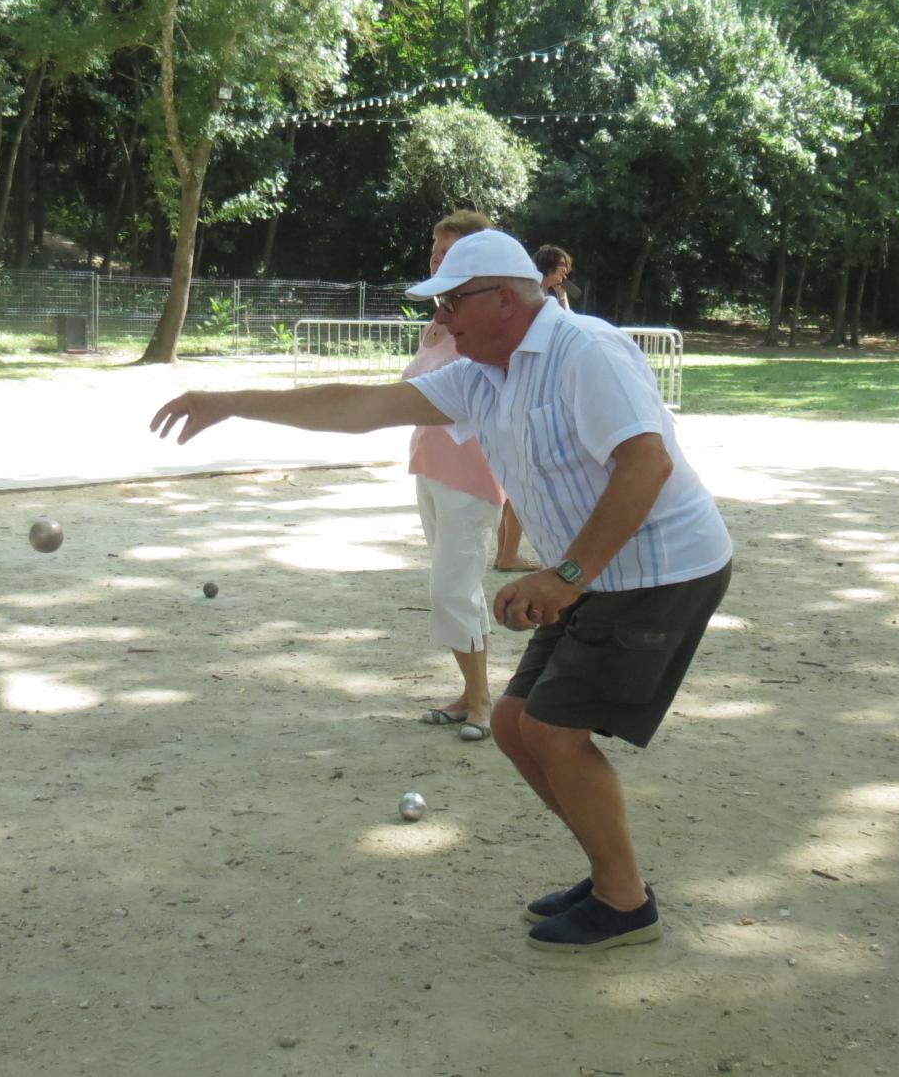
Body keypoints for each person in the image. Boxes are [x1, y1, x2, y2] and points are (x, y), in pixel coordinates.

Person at [150, 231, 733, 953]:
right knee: (517, 726)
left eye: (453, 301)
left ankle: (625, 900)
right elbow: (359, 406)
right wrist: (230, 400)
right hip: (593, 571)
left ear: (505, 299)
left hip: (656, 568)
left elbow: (644, 465)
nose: (441, 317)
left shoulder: (588, 352)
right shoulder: (480, 373)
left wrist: (565, 576)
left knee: (553, 730)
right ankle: (610, 870)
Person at [404, 210, 507, 742]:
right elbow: (411, 390)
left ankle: (484, 701)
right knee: (461, 591)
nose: (437, 262)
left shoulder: (487, 328)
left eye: (450, 254)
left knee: (451, 589)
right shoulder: (437, 325)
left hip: (473, 477)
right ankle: (472, 693)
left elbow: (464, 398)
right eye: (434, 252)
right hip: (430, 465)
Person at [534, 245, 577, 311]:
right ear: (549, 266)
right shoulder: (532, 293)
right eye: (561, 265)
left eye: (565, 266)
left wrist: (562, 295)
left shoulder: (548, 296)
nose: (565, 270)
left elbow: (566, 319)